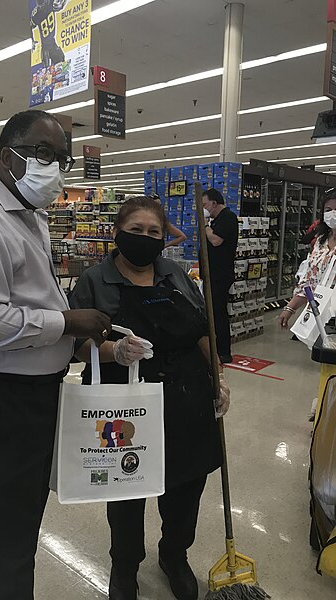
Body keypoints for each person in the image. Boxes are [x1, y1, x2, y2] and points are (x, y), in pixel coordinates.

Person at [0, 109, 112, 600]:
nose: (53, 167)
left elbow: (30, 305)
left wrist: (84, 343)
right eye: (43, 153)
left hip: (30, 399)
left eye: (62, 159)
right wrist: (68, 322)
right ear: (6, 154)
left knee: (18, 524)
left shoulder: (30, 218)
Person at [69, 196, 230, 600]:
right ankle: (124, 567)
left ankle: (174, 555)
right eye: (136, 230)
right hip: (122, 404)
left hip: (184, 398)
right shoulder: (94, 280)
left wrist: (219, 378)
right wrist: (114, 352)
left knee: (186, 486)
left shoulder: (175, 273)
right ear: (117, 233)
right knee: (126, 491)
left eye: (153, 232)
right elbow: (75, 346)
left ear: (163, 238)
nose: (145, 238)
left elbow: (201, 330)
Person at [280, 190, 336, 329]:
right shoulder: (320, 241)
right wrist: (290, 308)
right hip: (318, 315)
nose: (333, 213)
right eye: (329, 210)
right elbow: (310, 281)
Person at [202, 188, 239, 364]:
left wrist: (205, 226)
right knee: (212, 311)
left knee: (218, 312)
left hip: (220, 274)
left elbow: (216, 241)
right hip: (211, 274)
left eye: (205, 205)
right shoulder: (217, 220)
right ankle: (214, 348)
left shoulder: (228, 217)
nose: (204, 208)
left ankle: (224, 351)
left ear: (214, 203)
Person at [31, 0, 67, 67]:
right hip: (46, 48)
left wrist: (63, 3)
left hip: (53, 45)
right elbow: (30, 26)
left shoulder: (49, 3)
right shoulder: (36, 14)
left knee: (62, 69)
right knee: (47, 74)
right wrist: (32, 40)